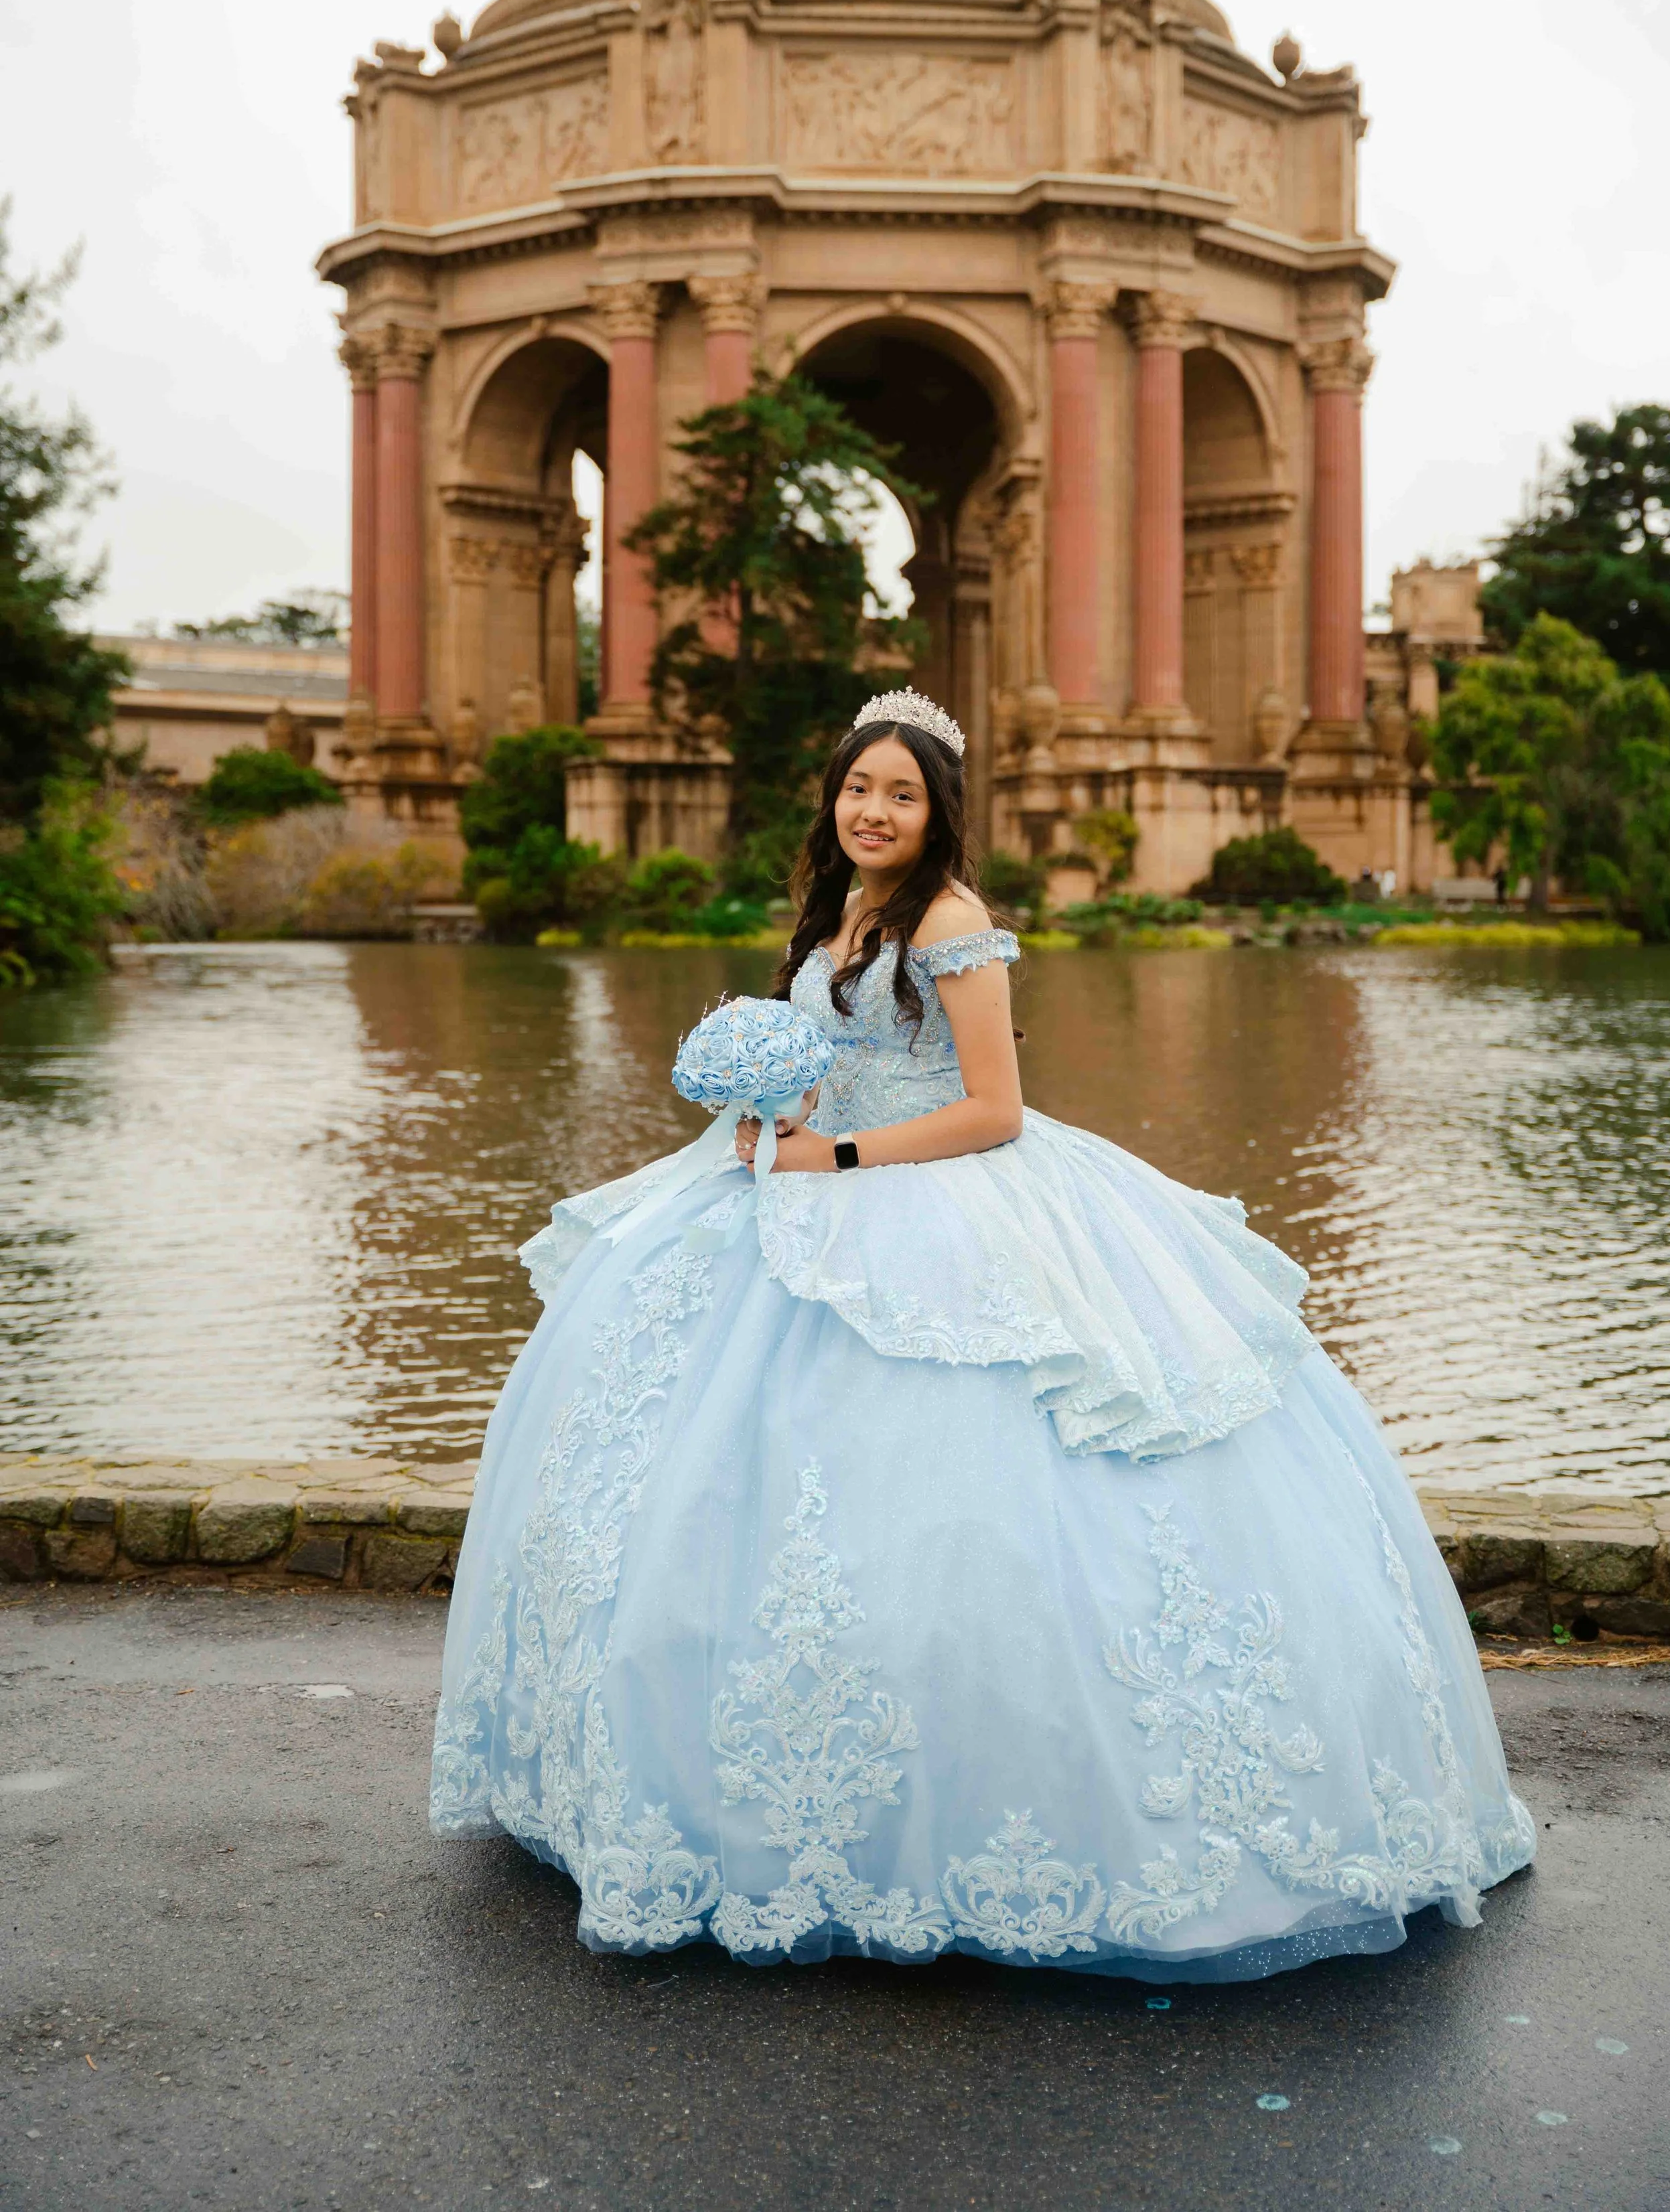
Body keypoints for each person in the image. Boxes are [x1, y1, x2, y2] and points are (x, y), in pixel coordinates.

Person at [431, 688, 1533, 1981]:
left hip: (937, 1196)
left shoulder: (954, 921)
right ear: (833, 802)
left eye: (902, 794)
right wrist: (765, 1119)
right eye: (858, 790)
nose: (875, 811)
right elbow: (835, 1059)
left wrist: (834, 1151)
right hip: (812, 1186)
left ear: (939, 810)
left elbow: (997, 1110)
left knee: (996, 1501)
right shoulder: (835, 916)